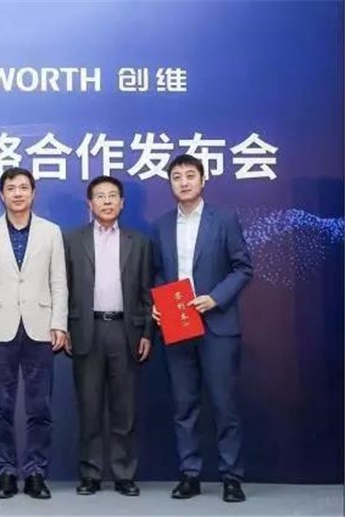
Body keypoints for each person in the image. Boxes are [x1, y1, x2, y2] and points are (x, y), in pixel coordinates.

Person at [151, 154, 253, 503]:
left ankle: (231, 477)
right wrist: (158, 303)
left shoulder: (224, 219)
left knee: (224, 405)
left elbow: (242, 267)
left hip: (217, 325)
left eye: (190, 175)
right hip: (177, 324)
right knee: (184, 406)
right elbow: (158, 271)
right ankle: (190, 474)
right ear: (170, 184)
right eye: (176, 177)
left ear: (203, 179)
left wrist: (215, 298)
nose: (183, 182)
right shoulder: (162, 225)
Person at [0, 167, 68, 500]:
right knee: (1, 408)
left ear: (33, 193)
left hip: (41, 327)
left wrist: (59, 322)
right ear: (1, 195)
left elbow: (59, 282)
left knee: (40, 407)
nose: (17, 193)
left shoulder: (51, 232)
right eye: (11, 188)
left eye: (24, 187)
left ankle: (36, 472)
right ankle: (7, 473)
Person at [63, 176, 152, 497]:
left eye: (113, 195)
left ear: (122, 203)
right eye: (100, 196)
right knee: (89, 407)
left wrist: (147, 332)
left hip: (125, 330)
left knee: (123, 408)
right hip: (86, 329)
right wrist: (63, 327)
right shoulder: (72, 240)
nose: (107, 201)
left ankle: (123, 473)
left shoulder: (138, 241)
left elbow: (147, 291)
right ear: (90, 203)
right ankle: (90, 473)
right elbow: (63, 288)